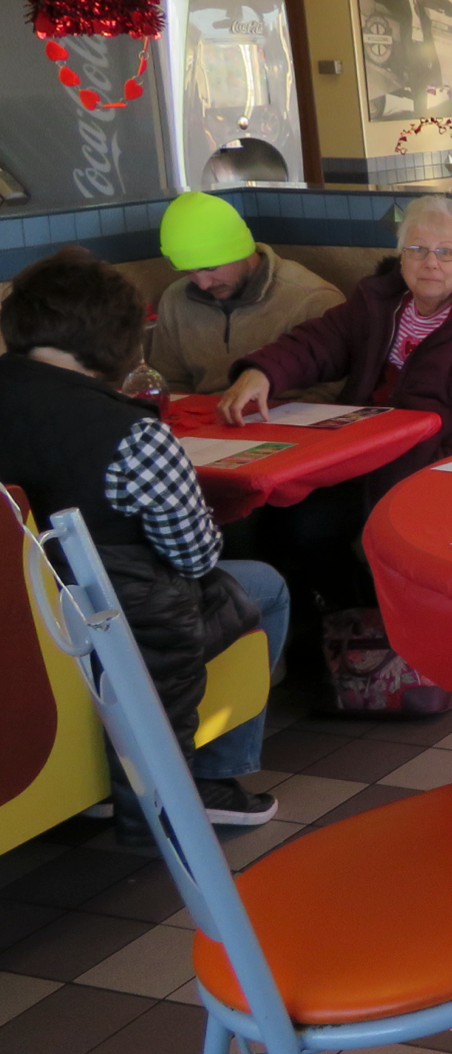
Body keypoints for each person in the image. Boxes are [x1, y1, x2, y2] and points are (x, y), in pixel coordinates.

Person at [0, 248, 285, 838]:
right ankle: (206, 774)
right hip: (108, 624)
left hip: (16, 623)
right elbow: (195, 556)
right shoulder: (132, 434)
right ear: (119, 342)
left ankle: (94, 782)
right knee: (265, 584)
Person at [217, 195, 452, 610]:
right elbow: (319, 342)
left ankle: (368, 625)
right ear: (400, 255)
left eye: (447, 253)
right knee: (258, 514)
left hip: (431, 473)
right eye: (417, 249)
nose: (432, 263)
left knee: (310, 527)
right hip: (355, 461)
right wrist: (262, 371)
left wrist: (433, 470)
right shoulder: (380, 301)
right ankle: (320, 633)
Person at [145, 191, 342, 396]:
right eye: (188, 272)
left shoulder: (313, 299)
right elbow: (170, 383)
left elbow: (334, 392)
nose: (202, 284)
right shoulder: (175, 299)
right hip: (203, 421)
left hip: (284, 419)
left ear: (243, 250)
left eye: (210, 268)